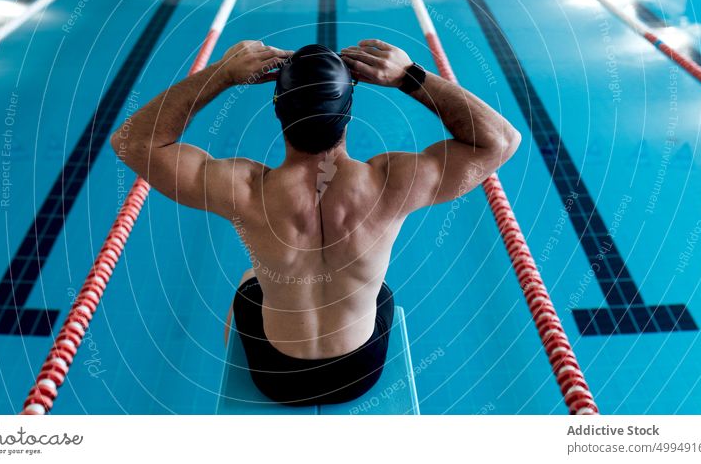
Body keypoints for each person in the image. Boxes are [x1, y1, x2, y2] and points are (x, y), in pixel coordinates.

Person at [111, 39, 521, 405]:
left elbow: (132, 142)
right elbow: (501, 140)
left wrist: (220, 76)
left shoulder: (243, 190)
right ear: (349, 111)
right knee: (379, 292)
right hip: (360, 371)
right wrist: (411, 76)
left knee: (248, 282)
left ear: (277, 108)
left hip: (276, 377)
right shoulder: (392, 184)